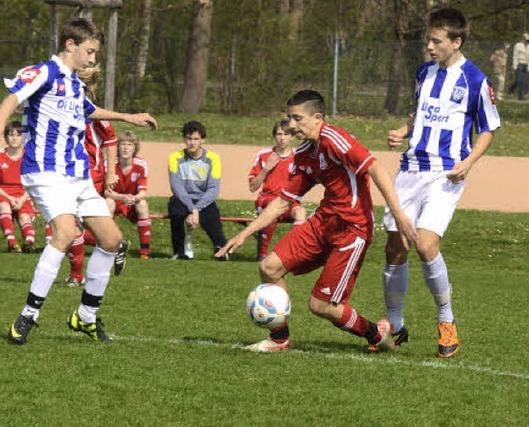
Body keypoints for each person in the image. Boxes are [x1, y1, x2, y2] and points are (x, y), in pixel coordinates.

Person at [216, 89, 417, 353]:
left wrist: (399, 214)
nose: (291, 125)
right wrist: (244, 233)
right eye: (289, 119)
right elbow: (283, 201)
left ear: (317, 117)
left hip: (351, 229)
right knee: (270, 267)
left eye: (297, 118)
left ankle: (375, 333)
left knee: (321, 306)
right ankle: (279, 340)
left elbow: (375, 167)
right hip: (324, 221)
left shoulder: (335, 139)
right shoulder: (304, 154)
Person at [1, 18, 157, 345]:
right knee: (66, 232)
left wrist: (129, 117)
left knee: (112, 240)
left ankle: (85, 316)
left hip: (78, 175)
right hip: (45, 170)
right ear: (70, 44)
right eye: (89, 51)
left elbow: (89, 110)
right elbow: (11, 101)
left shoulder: (73, 82)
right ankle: (29, 313)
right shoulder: (44, 72)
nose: (92, 59)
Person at [382, 7, 500, 358]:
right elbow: (419, 110)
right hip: (411, 169)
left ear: (456, 41)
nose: (429, 46)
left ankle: (446, 320)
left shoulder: (476, 80)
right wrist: (405, 130)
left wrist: (469, 161)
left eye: (436, 40)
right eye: (428, 39)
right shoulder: (423, 73)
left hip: (446, 172)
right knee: (395, 247)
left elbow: (489, 129)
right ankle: (395, 325)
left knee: (425, 245)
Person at [64, 63, 121, 287]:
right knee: (71, 225)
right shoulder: (65, 109)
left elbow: (111, 139)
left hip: (88, 175)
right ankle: (114, 243)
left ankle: (77, 275)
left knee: (72, 225)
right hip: (70, 173)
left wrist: (111, 174)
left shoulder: (92, 112)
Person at [168, 120, 227, 260]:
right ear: (184, 139)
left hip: (203, 198)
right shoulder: (175, 158)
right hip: (182, 198)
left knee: (212, 214)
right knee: (176, 212)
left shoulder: (213, 159)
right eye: (189, 138)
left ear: (202, 140)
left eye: (196, 139)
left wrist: (197, 208)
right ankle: (179, 252)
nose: (192, 143)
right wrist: (192, 208)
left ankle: (221, 249)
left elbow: (213, 189)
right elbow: (176, 187)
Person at [248, 119, 306, 261]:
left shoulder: (298, 156)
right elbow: (252, 187)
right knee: (272, 208)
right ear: (275, 136)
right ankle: (262, 254)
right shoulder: (264, 155)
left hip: (288, 202)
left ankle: (293, 252)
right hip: (267, 200)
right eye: (279, 134)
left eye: (286, 134)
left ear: (292, 137)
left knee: (301, 212)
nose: (282, 138)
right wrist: (266, 169)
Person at [105, 131, 152, 259]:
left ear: (135, 148)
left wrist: (133, 198)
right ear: (118, 147)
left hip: (132, 201)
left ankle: (144, 252)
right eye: (122, 144)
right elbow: (107, 192)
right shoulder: (110, 164)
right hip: (115, 200)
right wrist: (122, 197)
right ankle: (108, 247)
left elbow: (142, 192)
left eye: (129, 145)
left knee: (142, 204)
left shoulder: (141, 165)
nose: (126, 148)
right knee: (108, 202)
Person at [0, 121, 36, 253]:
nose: (14, 138)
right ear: (5, 137)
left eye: (18, 135)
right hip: (3, 194)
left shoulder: (29, 157)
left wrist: (22, 199)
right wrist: (9, 198)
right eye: (11, 134)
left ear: (23, 137)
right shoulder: (1, 157)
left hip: (23, 194)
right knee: (3, 206)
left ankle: (29, 242)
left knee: (24, 217)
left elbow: (33, 182)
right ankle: (12, 242)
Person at [509, 32, 529, 100]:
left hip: (525, 64)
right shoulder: (518, 45)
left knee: (523, 81)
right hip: (519, 64)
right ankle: (512, 90)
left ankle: (520, 95)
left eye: (528, 40)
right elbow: (515, 56)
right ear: (523, 39)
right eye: (526, 40)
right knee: (518, 80)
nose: (527, 41)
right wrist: (514, 66)